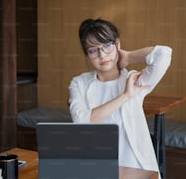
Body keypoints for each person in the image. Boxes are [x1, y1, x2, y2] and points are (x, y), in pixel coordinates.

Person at [68, 18, 172, 178]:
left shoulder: (134, 79)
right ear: (87, 55)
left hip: (137, 168)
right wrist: (125, 96)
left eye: (107, 46)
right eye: (93, 50)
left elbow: (163, 54)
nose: (102, 55)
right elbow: (82, 121)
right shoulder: (79, 83)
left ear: (117, 44)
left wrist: (130, 57)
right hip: (98, 169)